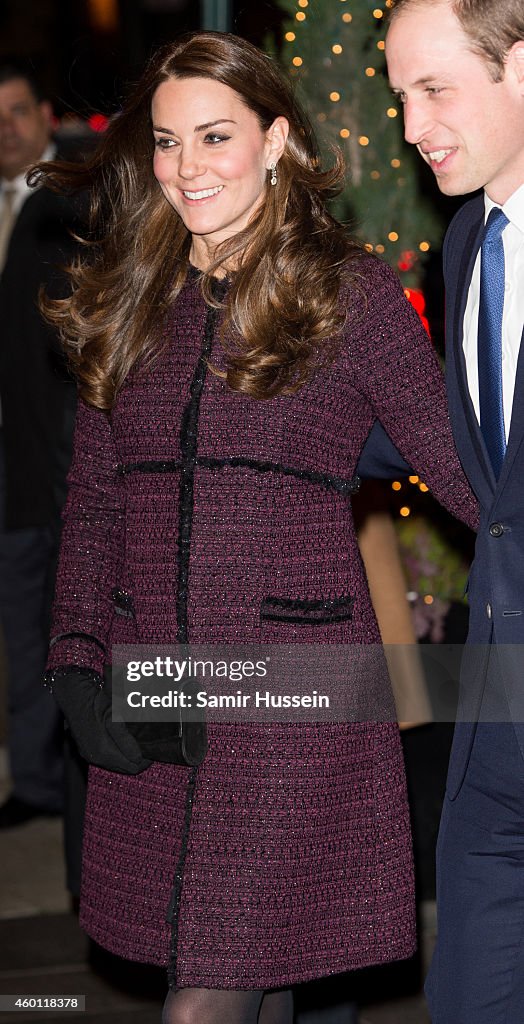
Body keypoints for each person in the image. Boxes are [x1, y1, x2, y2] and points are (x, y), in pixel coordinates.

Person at [40, 31, 477, 1024]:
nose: (186, 167)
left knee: (205, 994)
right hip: (158, 683)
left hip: (292, 696)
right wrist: (73, 659)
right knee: (255, 976)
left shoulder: (348, 294)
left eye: (213, 136)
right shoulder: (131, 295)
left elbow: (463, 469)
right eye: (165, 141)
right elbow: (96, 502)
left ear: (275, 139)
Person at [385, 1, 524, 1021]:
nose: (407, 126)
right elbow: (480, 465)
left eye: (433, 89)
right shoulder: (466, 235)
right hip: (493, 716)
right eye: (397, 95)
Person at [0, 61, 80, 827]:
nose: (6, 127)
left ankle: (69, 781)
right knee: (23, 633)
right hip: (14, 472)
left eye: (17, 110)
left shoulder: (68, 207)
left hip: (55, 468)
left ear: (45, 113)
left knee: (68, 634)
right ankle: (35, 782)